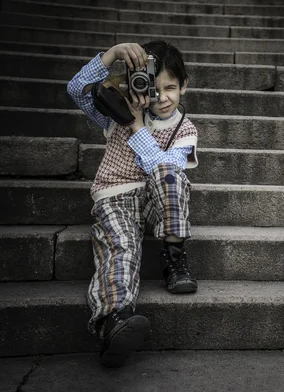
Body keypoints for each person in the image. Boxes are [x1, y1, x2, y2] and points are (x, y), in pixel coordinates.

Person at [67, 40, 199, 368]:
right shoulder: (118, 105)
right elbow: (76, 89)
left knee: (170, 173)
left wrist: (136, 125)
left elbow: (162, 169)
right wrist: (111, 56)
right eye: (153, 87)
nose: (163, 97)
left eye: (171, 87)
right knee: (121, 248)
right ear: (135, 82)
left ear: (184, 85)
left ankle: (173, 258)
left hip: (157, 202)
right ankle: (116, 321)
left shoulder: (185, 130)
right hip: (116, 194)